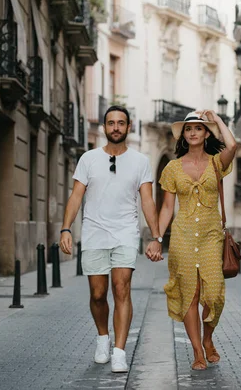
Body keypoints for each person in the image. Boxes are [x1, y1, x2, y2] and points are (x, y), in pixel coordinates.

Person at [59, 105, 163, 373]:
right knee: (97, 294)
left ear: (129, 127)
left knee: (122, 289)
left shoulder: (140, 161)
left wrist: (156, 236)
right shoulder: (88, 159)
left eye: (121, 123)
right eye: (111, 123)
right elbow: (76, 196)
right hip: (94, 233)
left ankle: (119, 351)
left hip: (125, 233)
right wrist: (66, 228)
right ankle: (102, 338)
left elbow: (148, 201)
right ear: (104, 127)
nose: (116, 127)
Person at [153, 110, 237, 370]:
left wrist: (217, 119)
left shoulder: (216, 163)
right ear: (184, 135)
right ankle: (198, 350)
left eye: (198, 128)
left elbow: (232, 145)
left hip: (212, 236)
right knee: (190, 292)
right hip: (183, 236)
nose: (192, 132)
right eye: (188, 129)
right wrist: (156, 237)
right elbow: (167, 208)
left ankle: (208, 338)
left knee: (214, 294)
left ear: (206, 133)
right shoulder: (172, 168)